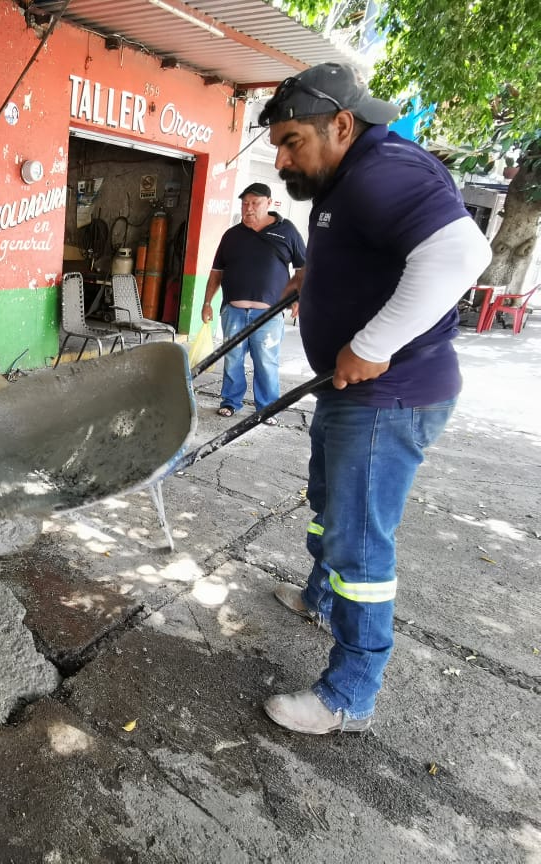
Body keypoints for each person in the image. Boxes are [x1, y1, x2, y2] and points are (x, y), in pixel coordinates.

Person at [257, 64, 491, 733]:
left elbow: (457, 256)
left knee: (360, 545)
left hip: (389, 396)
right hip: (354, 392)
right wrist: (316, 276)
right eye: (277, 144)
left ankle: (348, 695)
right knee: (329, 506)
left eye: (292, 141)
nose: (281, 159)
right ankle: (319, 601)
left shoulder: (384, 170)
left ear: (341, 125)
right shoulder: (348, 177)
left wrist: (376, 342)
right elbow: (375, 252)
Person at [202, 183, 306, 423]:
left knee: (266, 363)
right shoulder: (232, 235)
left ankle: (267, 409)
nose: (248, 209)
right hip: (233, 312)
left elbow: (303, 268)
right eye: (245, 203)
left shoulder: (287, 231)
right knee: (232, 359)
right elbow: (217, 272)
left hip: (269, 315)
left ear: (269, 203)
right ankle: (230, 402)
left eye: (255, 203)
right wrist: (207, 302)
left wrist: (299, 298)